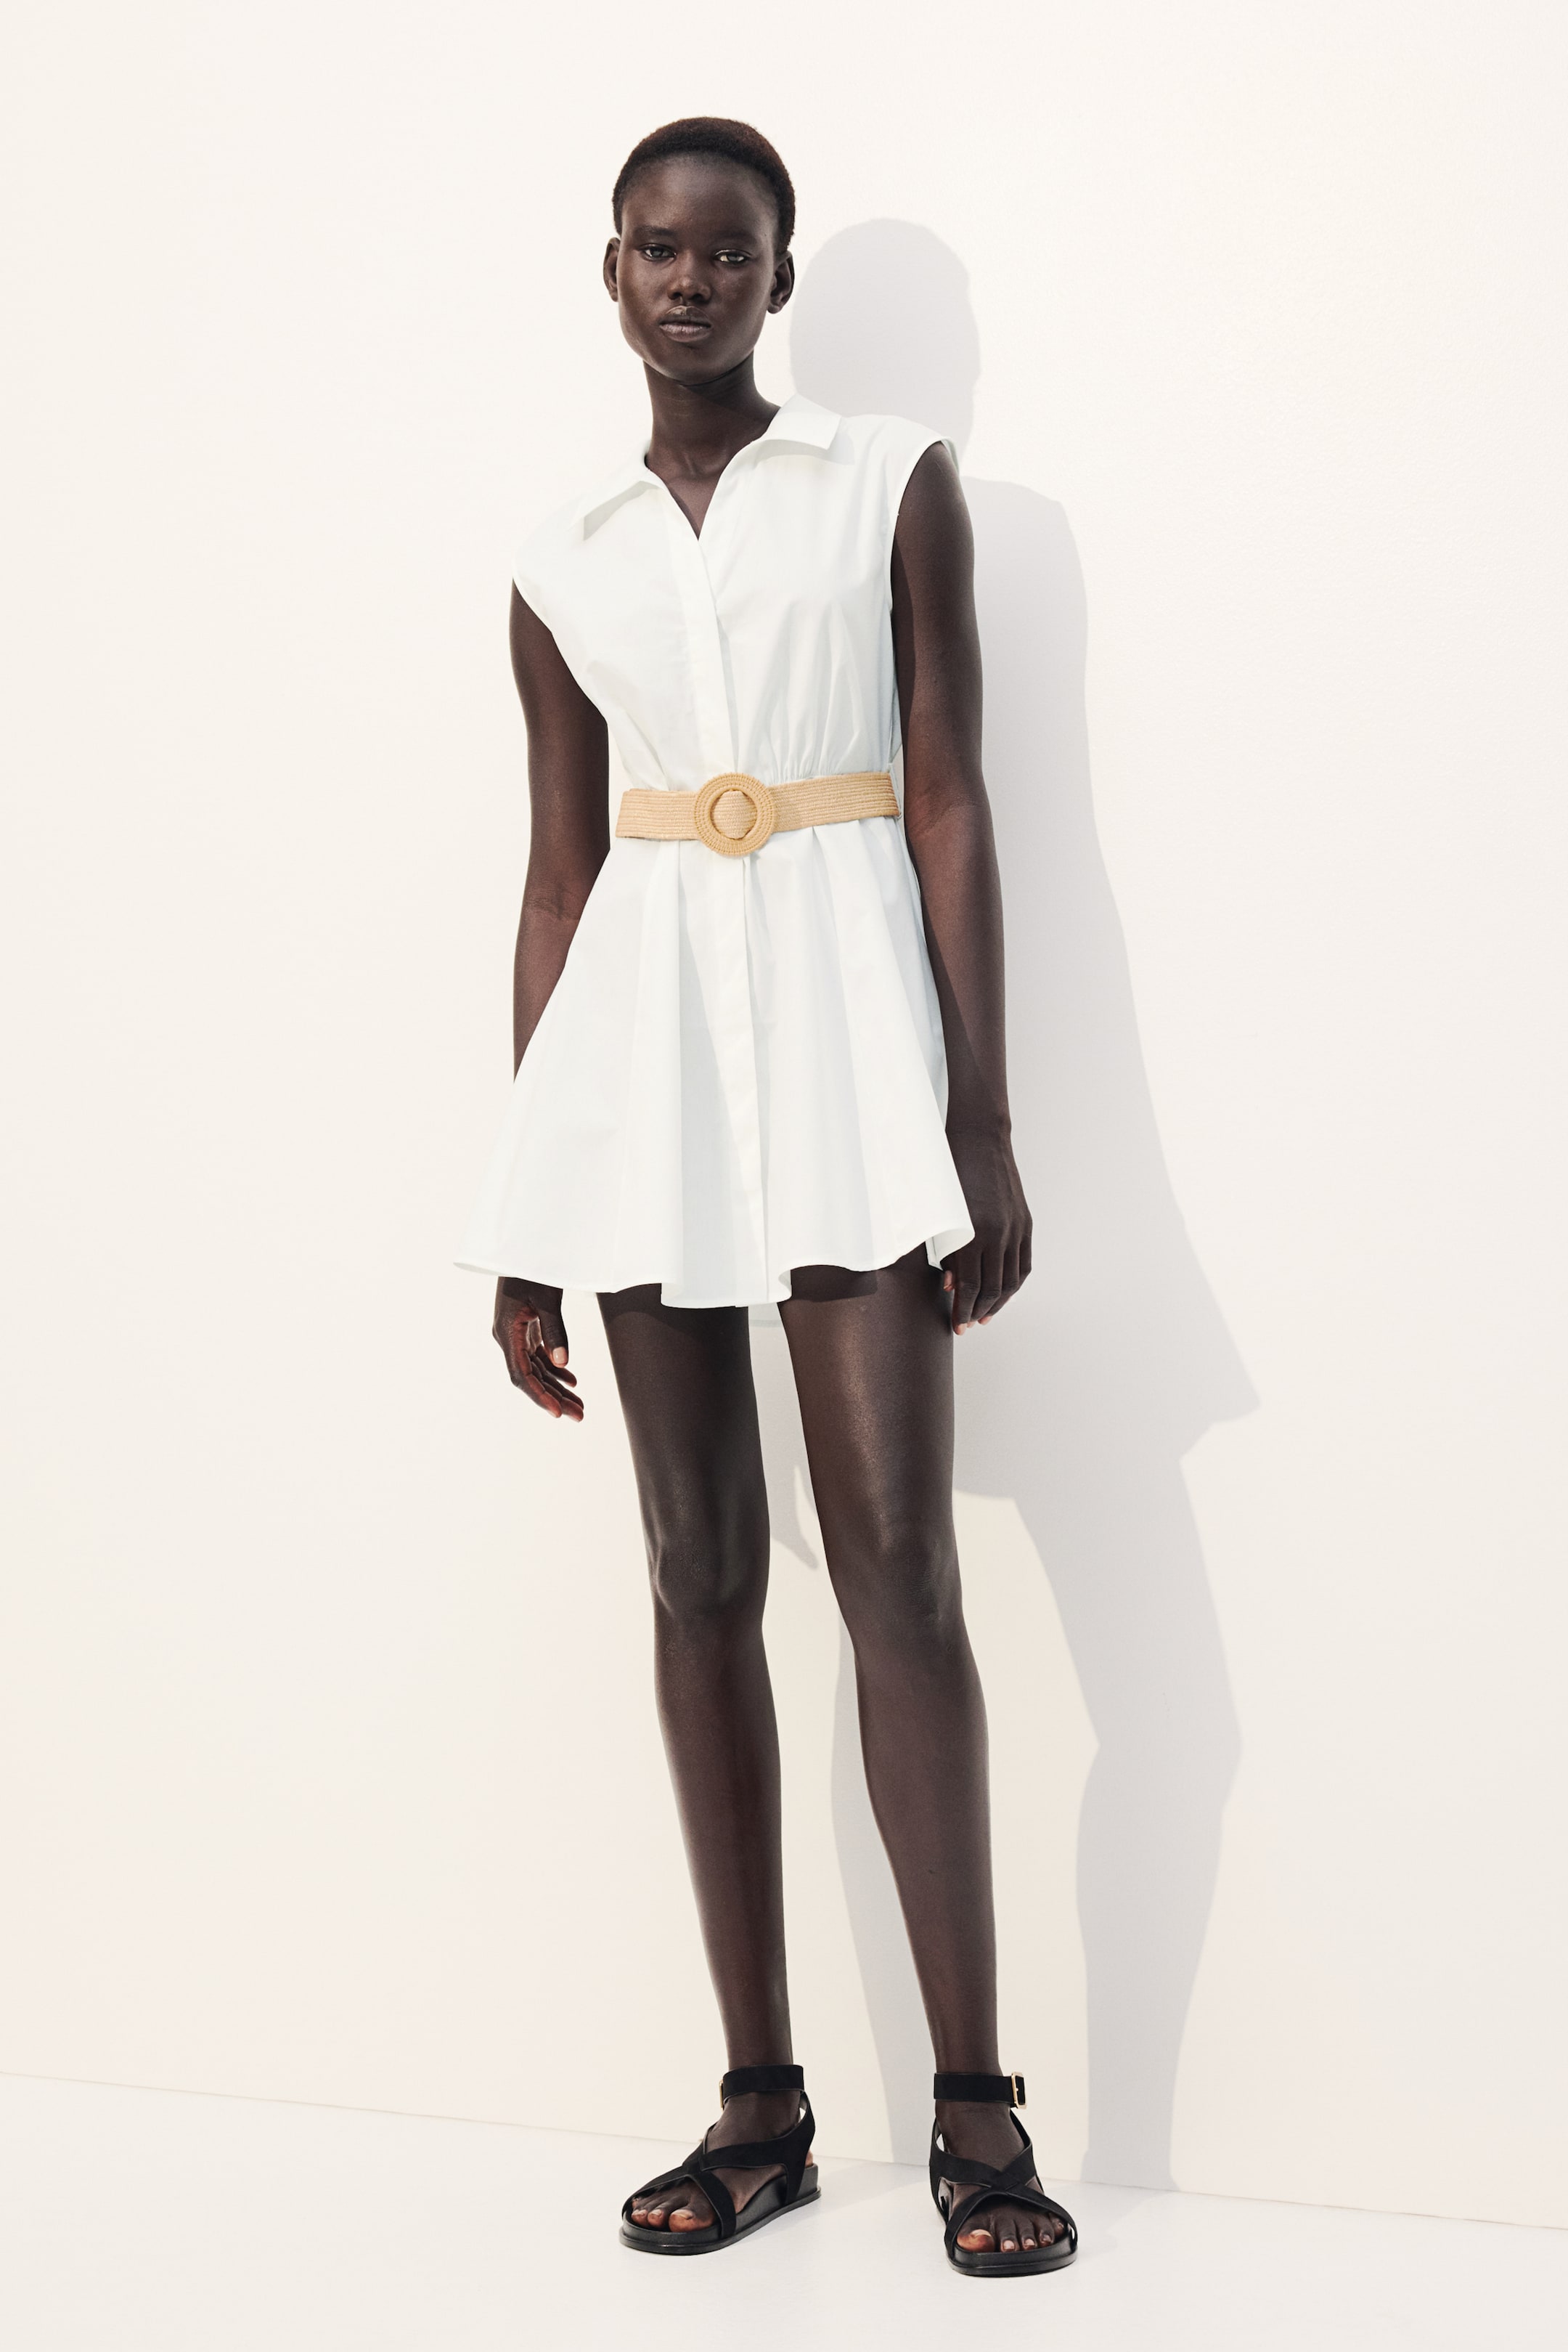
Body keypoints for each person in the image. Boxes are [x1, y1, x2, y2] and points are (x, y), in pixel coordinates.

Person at [460, 115, 1077, 2277]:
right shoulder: (561, 555)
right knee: (697, 1565)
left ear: (780, 278)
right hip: (640, 1083)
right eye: (658, 247)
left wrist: (979, 1118)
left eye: (729, 251)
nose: (691, 278)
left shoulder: (890, 485)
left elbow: (951, 798)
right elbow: (560, 877)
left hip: (848, 1062)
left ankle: (979, 2111)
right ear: (610, 272)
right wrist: (530, 1198)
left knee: (901, 1572)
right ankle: (763, 2108)